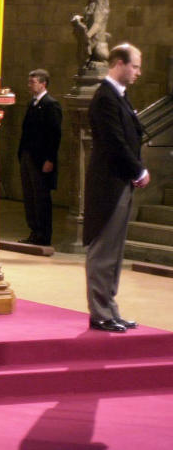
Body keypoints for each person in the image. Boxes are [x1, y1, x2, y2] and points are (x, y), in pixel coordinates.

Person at [84, 44, 149, 333]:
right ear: (119, 63)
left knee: (115, 251)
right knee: (103, 251)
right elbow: (114, 142)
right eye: (134, 66)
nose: (138, 72)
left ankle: (110, 310)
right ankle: (100, 313)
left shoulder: (119, 96)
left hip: (120, 182)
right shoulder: (105, 98)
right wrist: (138, 169)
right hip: (108, 185)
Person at [18, 69, 62, 247]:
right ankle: (34, 231)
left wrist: (49, 159)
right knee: (30, 196)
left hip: (41, 159)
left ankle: (43, 235)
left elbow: (55, 134)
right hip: (28, 155)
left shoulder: (51, 105)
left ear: (43, 84)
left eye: (33, 82)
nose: (29, 85)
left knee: (41, 197)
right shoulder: (33, 103)